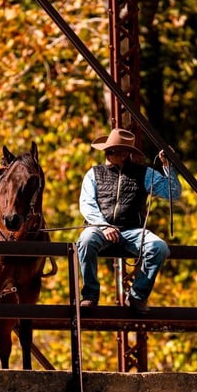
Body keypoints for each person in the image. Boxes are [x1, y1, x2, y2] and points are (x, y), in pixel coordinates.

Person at [76, 127, 181, 315]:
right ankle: (90, 296)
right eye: (108, 149)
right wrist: (104, 225)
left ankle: (137, 296)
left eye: (113, 150)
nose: (108, 153)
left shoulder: (144, 173)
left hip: (132, 230)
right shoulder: (94, 173)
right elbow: (87, 204)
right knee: (85, 241)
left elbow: (173, 192)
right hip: (98, 228)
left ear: (125, 154)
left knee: (159, 248)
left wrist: (168, 166)